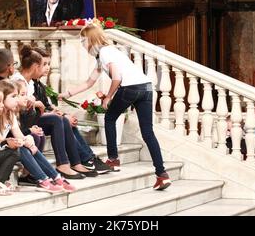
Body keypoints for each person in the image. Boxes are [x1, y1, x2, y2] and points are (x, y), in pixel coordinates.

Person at [59, 23, 172, 190]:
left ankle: (113, 159)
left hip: (130, 87)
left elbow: (117, 78)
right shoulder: (105, 54)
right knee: (148, 132)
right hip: (146, 87)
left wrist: (108, 97)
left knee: (110, 118)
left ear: (91, 39)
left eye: (83, 40)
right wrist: (67, 94)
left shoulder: (105, 52)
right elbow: (89, 82)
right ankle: (161, 174)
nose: (82, 44)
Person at [12, 45, 96, 179]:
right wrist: (35, 104)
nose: (47, 67)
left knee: (61, 119)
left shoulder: (32, 84)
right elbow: (19, 108)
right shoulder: (18, 81)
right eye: (43, 64)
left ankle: (75, 162)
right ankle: (63, 164)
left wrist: (45, 109)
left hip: (31, 118)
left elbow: (39, 108)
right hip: (21, 122)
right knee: (57, 120)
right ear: (35, 66)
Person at [32, 46, 111, 174]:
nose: (48, 67)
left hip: (45, 118)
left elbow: (47, 105)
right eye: (44, 64)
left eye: (49, 64)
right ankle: (81, 160)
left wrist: (64, 114)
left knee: (68, 121)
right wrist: (60, 116)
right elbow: (35, 111)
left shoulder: (40, 84)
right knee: (61, 121)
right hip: (34, 121)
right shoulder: (28, 84)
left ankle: (87, 158)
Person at [0, 80, 75, 193]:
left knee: (31, 146)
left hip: (5, 149)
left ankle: (56, 177)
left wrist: (27, 141)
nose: (17, 99)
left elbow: (19, 134)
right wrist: (21, 142)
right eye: (14, 96)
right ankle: (43, 179)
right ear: (3, 98)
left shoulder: (10, 114)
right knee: (22, 148)